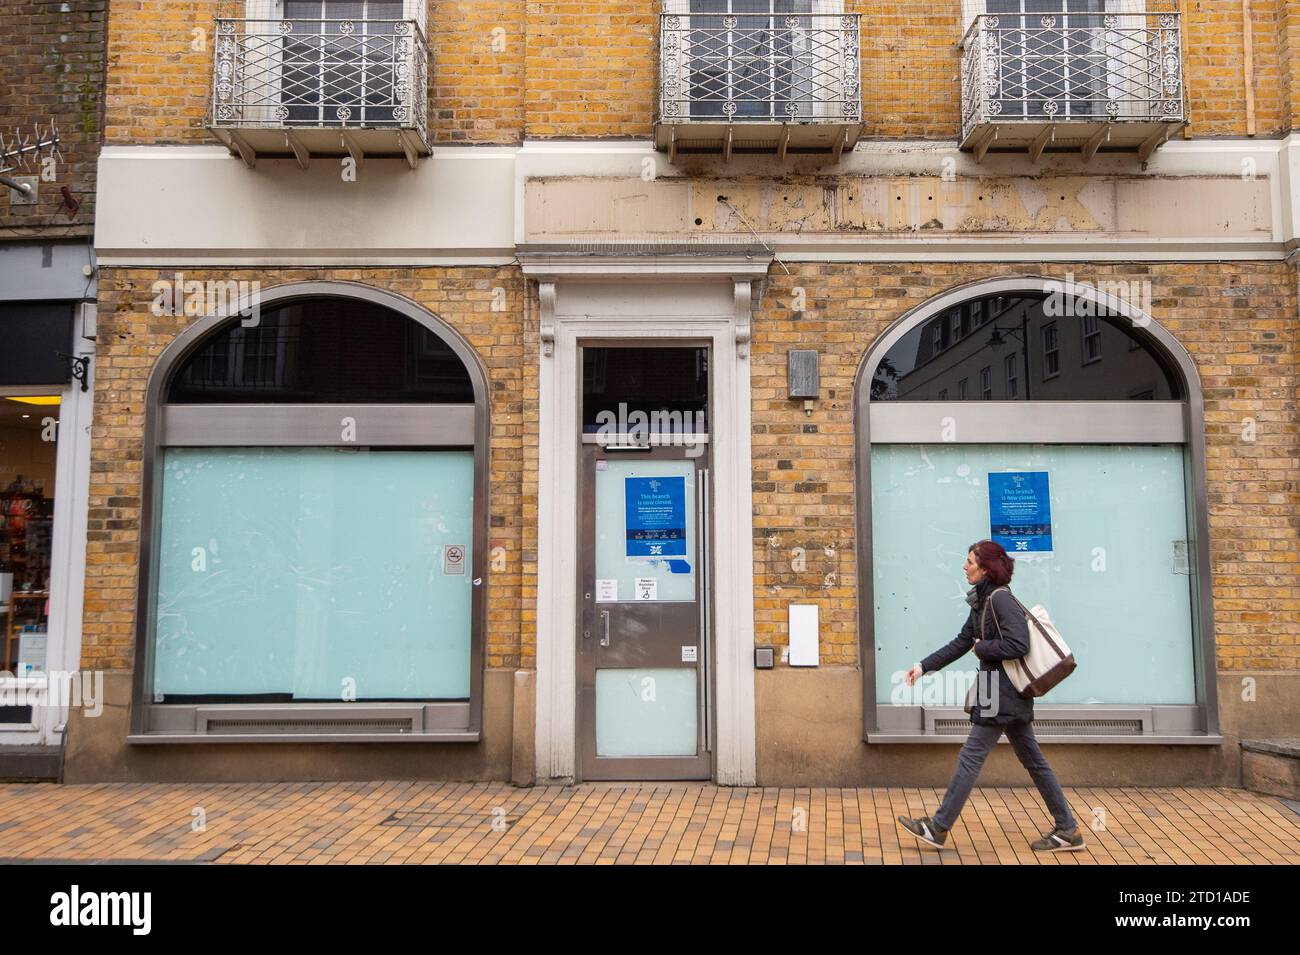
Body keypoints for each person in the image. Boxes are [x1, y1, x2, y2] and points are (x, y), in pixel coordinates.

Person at [896, 540, 1084, 852]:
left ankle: (938, 827)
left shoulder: (1001, 600)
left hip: (1002, 694)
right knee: (1033, 760)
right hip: (999, 691)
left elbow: (1018, 644)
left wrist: (982, 648)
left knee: (971, 757)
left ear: (985, 569)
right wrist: (922, 666)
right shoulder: (982, 603)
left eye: (969, 562)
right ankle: (1067, 829)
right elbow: (961, 642)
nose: (964, 566)